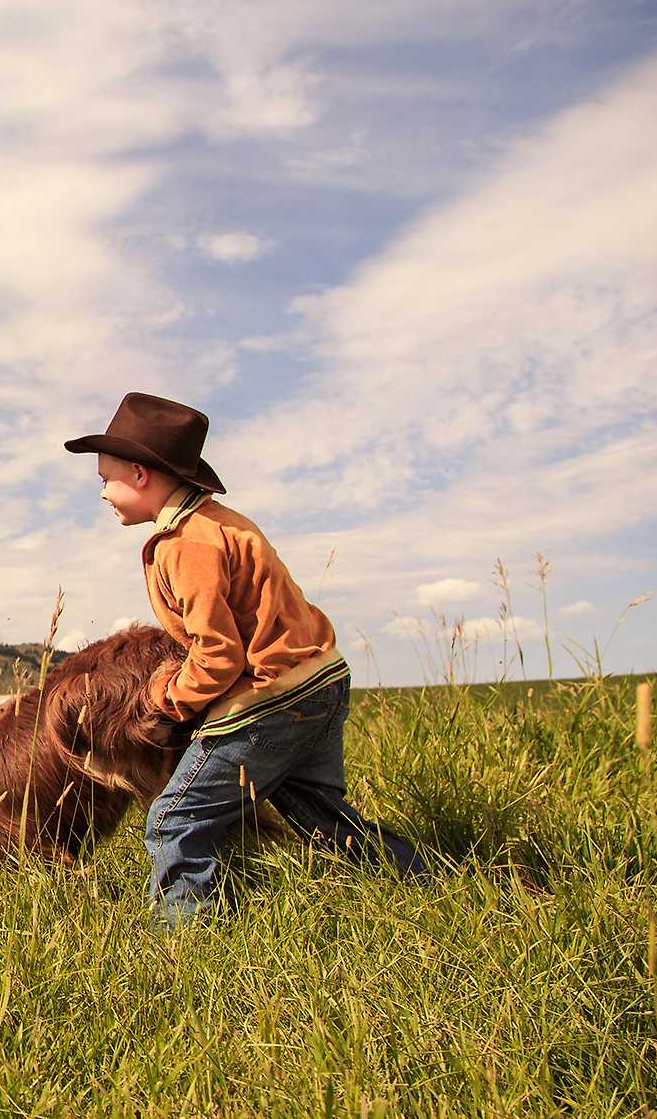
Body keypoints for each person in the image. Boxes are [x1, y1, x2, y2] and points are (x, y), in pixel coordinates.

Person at [64, 392, 425, 926]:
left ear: (140, 475)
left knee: (173, 819)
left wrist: (167, 697)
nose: (103, 494)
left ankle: (186, 949)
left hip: (269, 700)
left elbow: (219, 654)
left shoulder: (186, 543)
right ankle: (425, 882)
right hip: (318, 680)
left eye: (105, 480)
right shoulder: (223, 522)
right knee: (323, 819)